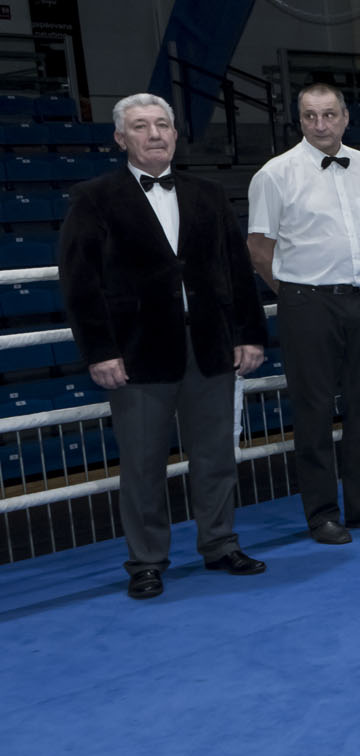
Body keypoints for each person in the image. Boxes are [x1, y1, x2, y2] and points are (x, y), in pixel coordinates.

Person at [58, 93, 268, 598]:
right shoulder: (94, 197)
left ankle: (220, 543)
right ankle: (146, 561)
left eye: (161, 125)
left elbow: (237, 269)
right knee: (143, 464)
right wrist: (99, 351)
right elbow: (80, 283)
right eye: (140, 126)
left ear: (175, 134)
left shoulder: (209, 193)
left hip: (211, 346)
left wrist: (250, 334)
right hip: (137, 353)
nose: (153, 134)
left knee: (216, 456)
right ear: (120, 138)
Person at [245, 83, 360, 545]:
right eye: (310, 115)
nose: (320, 124)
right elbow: (258, 248)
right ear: (299, 120)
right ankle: (321, 514)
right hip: (307, 303)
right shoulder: (275, 174)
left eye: (329, 114)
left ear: (345, 117)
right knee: (314, 411)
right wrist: (296, 293)